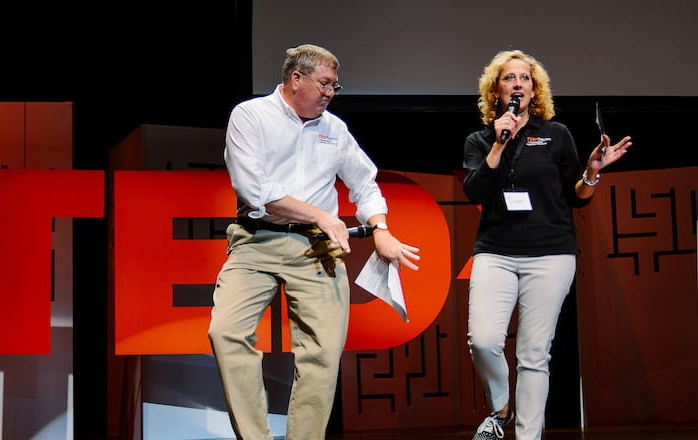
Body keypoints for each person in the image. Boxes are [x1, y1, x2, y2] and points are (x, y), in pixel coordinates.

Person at [207, 43, 421, 440]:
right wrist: (322, 215)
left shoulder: (334, 129)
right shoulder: (251, 116)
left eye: (334, 87)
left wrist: (381, 229)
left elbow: (365, 183)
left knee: (322, 353)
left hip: (315, 249)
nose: (330, 93)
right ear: (296, 79)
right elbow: (256, 190)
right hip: (257, 241)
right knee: (226, 332)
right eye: (324, 84)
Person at [461, 49, 632, 440]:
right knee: (484, 341)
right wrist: (499, 144)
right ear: (496, 90)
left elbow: (577, 196)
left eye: (524, 78)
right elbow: (474, 191)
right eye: (509, 78)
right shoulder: (481, 139)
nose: (517, 84)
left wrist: (591, 173)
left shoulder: (556, 135)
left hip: (551, 253)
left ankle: (528, 436)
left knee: (533, 355)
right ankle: (501, 409)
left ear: (534, 89)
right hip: (496, 251)